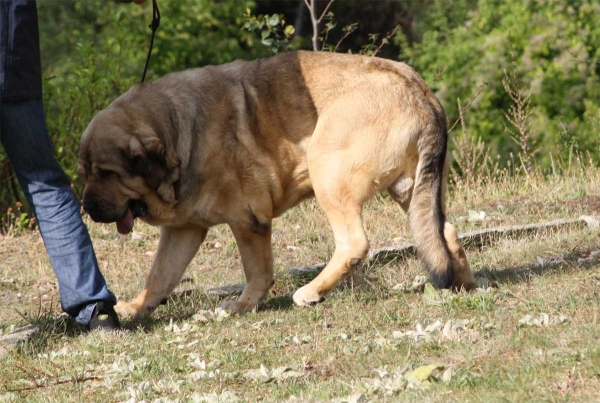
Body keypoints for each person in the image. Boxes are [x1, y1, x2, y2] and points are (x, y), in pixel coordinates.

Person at [0, 0, 145, 331]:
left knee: (44, 180)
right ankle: (95, 308)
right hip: (12, 60)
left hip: (14, 63)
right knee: (44, 181)